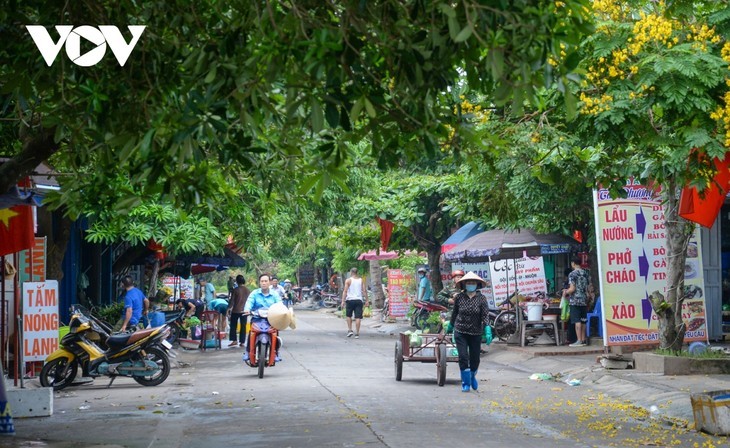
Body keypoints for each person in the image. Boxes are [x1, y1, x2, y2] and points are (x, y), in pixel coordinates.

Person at [446, 271, 489, 392]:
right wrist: (450, 325)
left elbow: (485, 315)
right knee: (463, 357)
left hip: (476, 332)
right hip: (460, 331)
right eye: (468, 282)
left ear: (477, 284)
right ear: (464, 285)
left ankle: (472, 375)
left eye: (473, 282)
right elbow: (455, 313)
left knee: (475, 358)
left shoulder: (481, 298)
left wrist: (487, 328)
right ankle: (465, 382)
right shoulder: (459, 297)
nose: (470, 284)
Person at [242, 274, 282, 361]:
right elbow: (249, 302)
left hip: (271, 319)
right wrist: (247, 310)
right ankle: (248, 352)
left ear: (269, 282)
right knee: (251, 332)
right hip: (257, 318)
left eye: (266, 281)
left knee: (275, 332)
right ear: (259, 283)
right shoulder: (254, 293)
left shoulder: (274, 294)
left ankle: (276, 352)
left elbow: (279, 304)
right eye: (262, 281)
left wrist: (281, 310)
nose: (264, 283)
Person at [562, 256, 591, 347]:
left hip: (575, 300)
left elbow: (572, 289)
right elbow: (587, 288)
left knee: (577, 320)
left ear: (573, 263)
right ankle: (583, 340)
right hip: (584, 299)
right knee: (583, 320)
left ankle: (578, 340)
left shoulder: (572, 274)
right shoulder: (585, 273)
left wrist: (565, 292)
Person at [341, 267, 368, 338]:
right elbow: (364, 291)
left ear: (351, 272)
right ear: (357, 272)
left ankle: (350, 330)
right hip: (359, 300)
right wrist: (367, 300)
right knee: (358, 317)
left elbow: (345, 291)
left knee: (348, 315)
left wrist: (343, 301)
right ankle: (357, 333)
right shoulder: (361, 280)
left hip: (350, 300)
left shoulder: (348, 280)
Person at [228, 275, 250, 347]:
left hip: (236, 310)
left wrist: (228, 308)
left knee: (233, 325)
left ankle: (234, 340)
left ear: (237, 281)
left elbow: (232, 301)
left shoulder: (236, 290)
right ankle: (242, 342)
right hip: (245, 311)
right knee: (243, 326)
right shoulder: (248, 290)